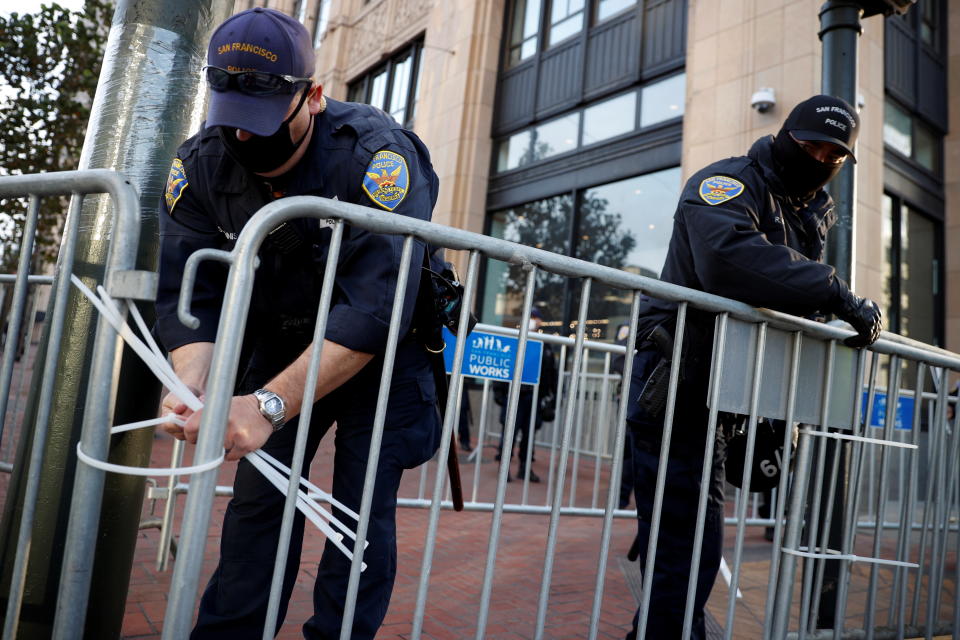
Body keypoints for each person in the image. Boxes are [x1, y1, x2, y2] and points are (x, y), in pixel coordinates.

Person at [154, 8, 441, 639]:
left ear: (312, 96)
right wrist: (190, 381)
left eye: (260, 122)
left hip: (385, 354)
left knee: (358, 515)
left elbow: (375, 307)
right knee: (258, 506)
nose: (246, 141)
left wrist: (267, 406)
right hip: (284, 337)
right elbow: (188, 284)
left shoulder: (376, 157)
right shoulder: (201, 161)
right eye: (231, 120)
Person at [623, 95, 882, 640]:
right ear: (785, 133)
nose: (819, 157)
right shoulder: (726, 183)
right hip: (676, 382)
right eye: (809, 144)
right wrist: (835, 291)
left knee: (685, 534)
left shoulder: (809, 212)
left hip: (726, 388)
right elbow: (728, 259)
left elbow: (789, 296)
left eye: (833, 154)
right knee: (689, 537)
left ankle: (662, 627)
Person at [494, 307, 558, 483]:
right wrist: (498, 390)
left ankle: (524, 468)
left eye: (535, 317)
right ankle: (504, 469)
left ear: (539, 321)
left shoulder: (544, 343)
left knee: (529, 435)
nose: (532, 320)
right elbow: (502, 364)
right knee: (509, 434)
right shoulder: (514, 339)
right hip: (514, 395)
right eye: (529, 317)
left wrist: (553, 397)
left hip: (534, 397)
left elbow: (552, 372)